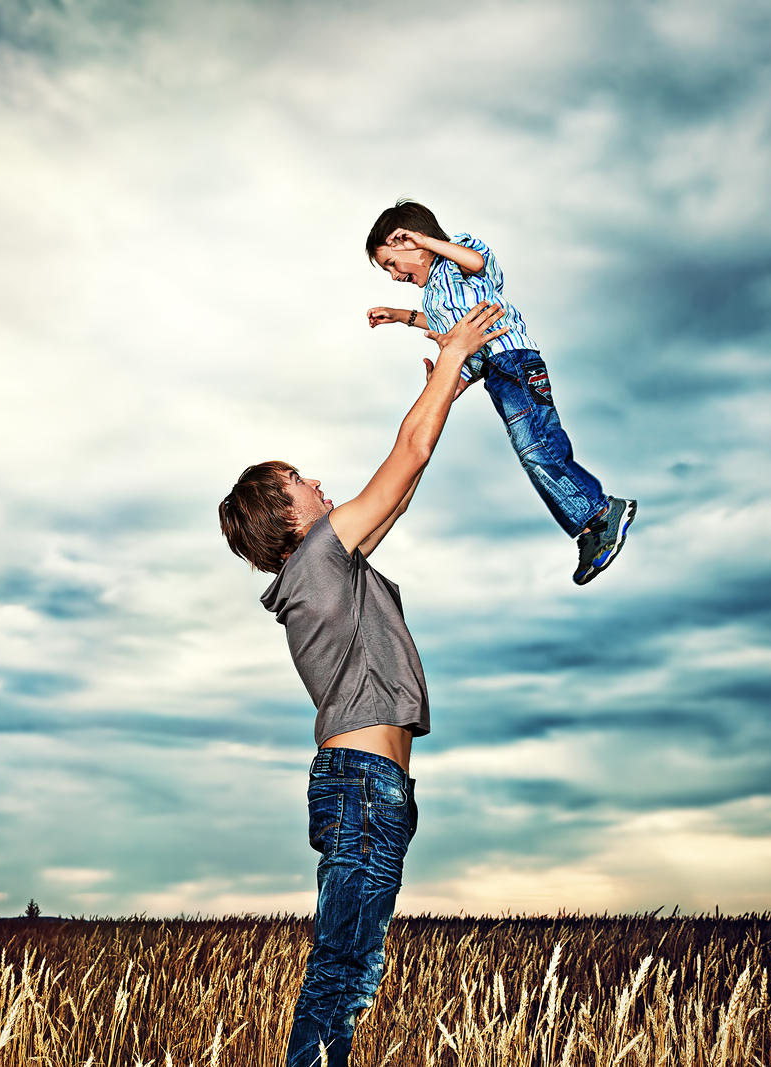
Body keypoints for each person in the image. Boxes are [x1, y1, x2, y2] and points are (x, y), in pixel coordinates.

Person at [218, 302, 509, 1067]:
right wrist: (454, 355)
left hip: (374, 789)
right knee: (342, 971)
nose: (317, 480)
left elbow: (405, 483)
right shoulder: (314, 561)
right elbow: (404, 458)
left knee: (351, 971)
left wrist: (450, 385)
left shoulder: (326, 568)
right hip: (361, 786)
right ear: (285, 516)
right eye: (299, 479)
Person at [365, 199, 637, 585]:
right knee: (532, 453)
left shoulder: (456, 255)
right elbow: (456, 332)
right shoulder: (432, 297)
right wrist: (402, 320)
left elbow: (478, 262)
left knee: (537, 446)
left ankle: (600, 513)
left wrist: (427, 240)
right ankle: (591, 527)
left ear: (408, 241)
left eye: (392, 263)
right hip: (496, 371)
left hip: (515, 360)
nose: (394, 276)